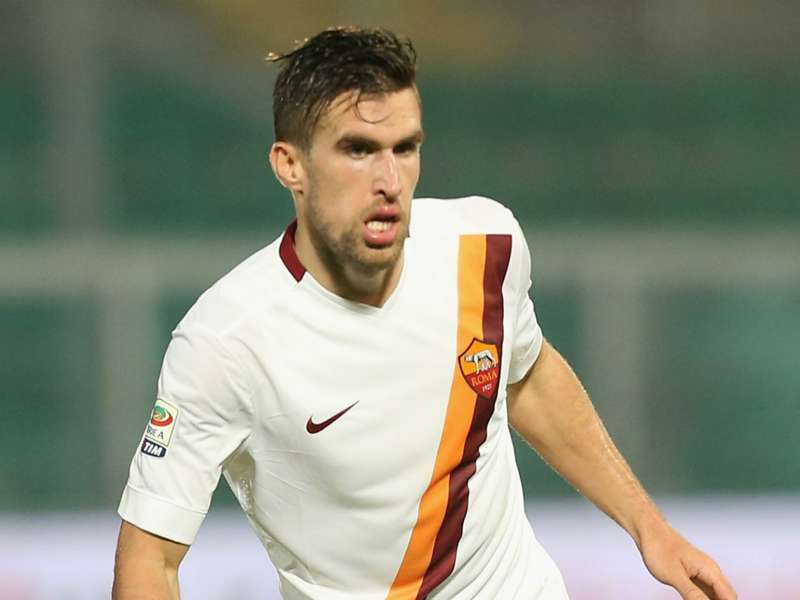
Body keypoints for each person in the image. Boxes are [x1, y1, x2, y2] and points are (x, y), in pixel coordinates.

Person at [112, 26, 737, 600]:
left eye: (405, 148)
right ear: (290, 165)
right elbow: (149, 561)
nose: (389, 179)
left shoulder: (484, 247)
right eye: (358, 150)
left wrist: (649, 528)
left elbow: (527, 376)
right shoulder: (224, 341)